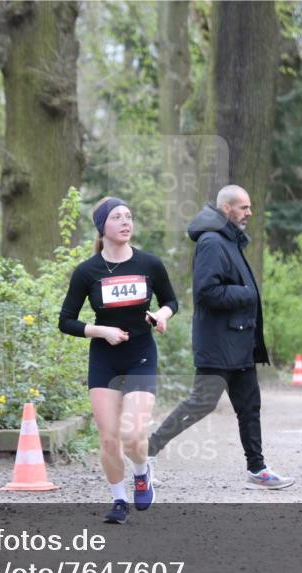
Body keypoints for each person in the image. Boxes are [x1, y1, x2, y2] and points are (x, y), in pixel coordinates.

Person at [146, 185, 295, 490]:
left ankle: (257, 468)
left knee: (250, 405)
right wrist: (247, 293)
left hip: (239, 343)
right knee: (201, 404)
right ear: (226, 209)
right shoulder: (212, 242)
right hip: (218, 345)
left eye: (250, 207)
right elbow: (206, 292)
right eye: (244, 207)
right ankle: (146, 452)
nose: (249, 213)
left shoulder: (229, 240)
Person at [59, 197, 177, 524]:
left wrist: (162, 314)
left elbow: (170, 300)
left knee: (134, 434)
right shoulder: (87, 271)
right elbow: (66, 320)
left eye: (128, 216)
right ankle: (119, 500)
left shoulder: (149, 264)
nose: (125, 222)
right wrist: (101, 331)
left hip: (140, 353)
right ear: (102, 227)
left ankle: (142, 472)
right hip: (104, 358)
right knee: (109, 438)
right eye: (116, 217)